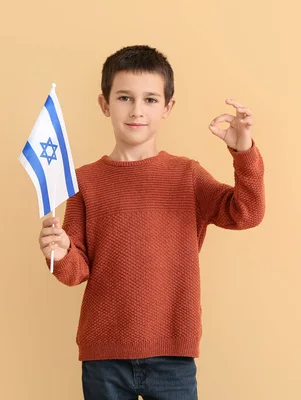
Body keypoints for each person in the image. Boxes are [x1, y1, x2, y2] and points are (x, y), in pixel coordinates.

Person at [37, 45, 265, 400]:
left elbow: (246, 213)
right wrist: (61, 251)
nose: (137, 110)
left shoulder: (186, 175)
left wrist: (244, 152)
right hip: (103, 356)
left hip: (173, 356)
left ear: (168, 107)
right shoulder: (83, 181)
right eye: (125, 97)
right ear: (105, 103)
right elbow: (74, 272)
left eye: (150, 100)